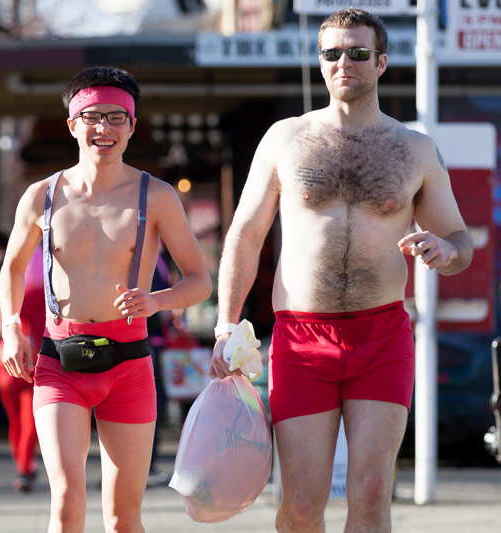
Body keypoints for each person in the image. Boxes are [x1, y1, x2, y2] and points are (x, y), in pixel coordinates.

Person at [208, 9, 473, 533]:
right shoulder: (286, 137)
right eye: (332, 53)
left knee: (372, 492)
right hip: (302, 339)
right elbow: (245, 235)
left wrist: (445, 249)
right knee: (303, 503)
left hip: (382, 334)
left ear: (381, 62)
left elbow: (461, 242)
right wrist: (225, 324)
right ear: (321, 61)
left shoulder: (414, 148)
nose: (343, 62)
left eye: (356, 52)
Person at [0, 66, 212, 533]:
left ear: (132, 127)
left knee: (122, 519)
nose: (105, 128)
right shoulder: (41, 197)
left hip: (130, 362)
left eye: (118, 118)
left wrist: (156, 302)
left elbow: (199, 281)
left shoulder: (155, 196)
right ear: (73, 124)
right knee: (68, 503)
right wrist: (11, 329)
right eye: (93, 116)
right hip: (60, 361)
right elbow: (12, 269)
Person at [0, 244, 46, 492]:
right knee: (30, 422)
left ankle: (23, 465)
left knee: (16, 421)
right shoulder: (50, 301)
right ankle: (25, 468)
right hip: (35, 366)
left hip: (5, 367)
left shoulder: (8, 300)